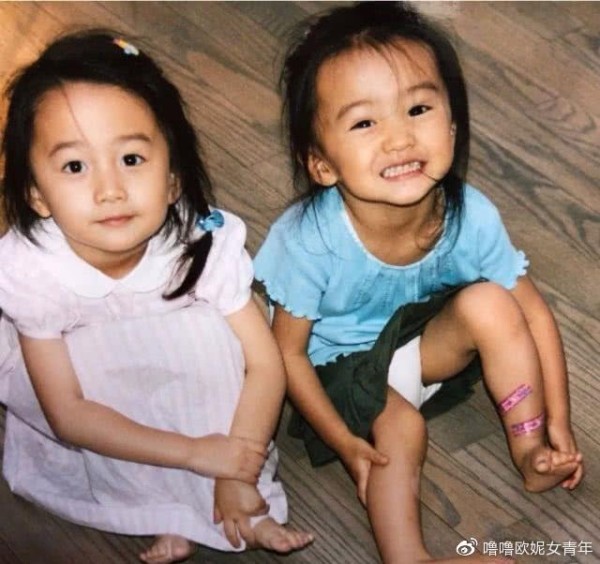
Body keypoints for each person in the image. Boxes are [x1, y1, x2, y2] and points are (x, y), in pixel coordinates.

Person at [254, 2, 584, 563]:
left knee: (493, 303)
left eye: (418, 108)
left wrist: (559, 425)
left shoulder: (470, 215)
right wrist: (345, 444)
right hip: (334, 370)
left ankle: (529, 453)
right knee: (403, 428)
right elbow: (287, 354)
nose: (399, 138)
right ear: (321, 164)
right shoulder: (309, 240)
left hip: (414, 346)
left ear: (452, 126)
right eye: (365, 122)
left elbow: (534, 313)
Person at [0, 30, 313, 564]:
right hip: (83, 384)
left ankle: (240, 499)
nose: (110, 190)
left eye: (131, 159)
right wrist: (195, 454)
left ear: (172, 179)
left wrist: (237, 464)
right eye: (75, 167)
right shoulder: (32, 273)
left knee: (215, 341)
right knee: (99, 370)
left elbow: (264, 364)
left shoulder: (201, 245)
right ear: (36, 194)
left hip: (180, 369)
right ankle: (161, 508)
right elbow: (69, 415)